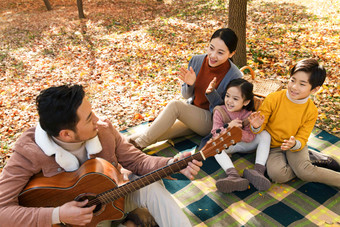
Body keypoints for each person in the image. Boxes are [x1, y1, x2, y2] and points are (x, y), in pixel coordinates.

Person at [0, 85, 203, 227]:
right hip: (68, 222)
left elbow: (137, 160)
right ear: (66, 134)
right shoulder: (28, 151)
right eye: (89, 119)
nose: (98, 120)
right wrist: (58, 214)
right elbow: (2, 211)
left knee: (151, 186)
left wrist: (172, 163)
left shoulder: (103, 129)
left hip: (111, 202)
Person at [128, 28, 243, 149]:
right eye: (211, 48)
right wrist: (190, 84)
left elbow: (229, 110)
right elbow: (186, 96)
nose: (213, 55)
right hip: (192, 114)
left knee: (175, 106)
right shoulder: (197, 60)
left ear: (231, 54)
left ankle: (140, 144)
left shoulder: (235, 75)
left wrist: (211, 93)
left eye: (220, 52)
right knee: (156, 132)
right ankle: (121, 144)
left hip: (212, 121)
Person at [248, 58, 340, 188]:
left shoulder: (311, 111)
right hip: (273, 147)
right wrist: (256, 126)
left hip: (294, 145)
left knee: (305, 172)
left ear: (314, 90)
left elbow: (303, 136)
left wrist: (295, 143)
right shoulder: (274, 98)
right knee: (277, 175)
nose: (294, 87)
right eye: (292, 80)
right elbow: (260, 125)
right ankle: (308, 162)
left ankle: (306, 167)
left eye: (302, 84)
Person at [198, 78, 271, 193]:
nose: (229, 101)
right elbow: (215, 133)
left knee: (265, 134)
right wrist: (229, 128)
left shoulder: (248, 115)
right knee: (214, 145)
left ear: (246, 102)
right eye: (227, 96)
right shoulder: (220, 111)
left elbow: (250, 138)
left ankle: (258, 171)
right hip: (228, 145)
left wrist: (240, 131)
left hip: (246, 145)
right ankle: (233, 176)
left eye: (235, 99)